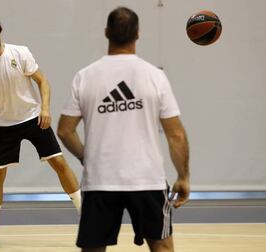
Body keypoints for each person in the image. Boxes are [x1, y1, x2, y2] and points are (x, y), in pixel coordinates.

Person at [58, 7, 190, 252]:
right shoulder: (154, 76)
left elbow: (65, 131)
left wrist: (86, 157)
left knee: (93, 249)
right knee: (161, 246)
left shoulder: (85, 77)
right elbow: (177, 135)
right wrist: (183, 177)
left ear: (107, 32)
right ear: (138, 34)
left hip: (100, 181)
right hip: (147, 180)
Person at [0, 15, 81, 248]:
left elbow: (43, 81)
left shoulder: (20, 53)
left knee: (59, 163)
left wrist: (45, 108)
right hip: (3, 126)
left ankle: (87, 217)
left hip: (32, 118)